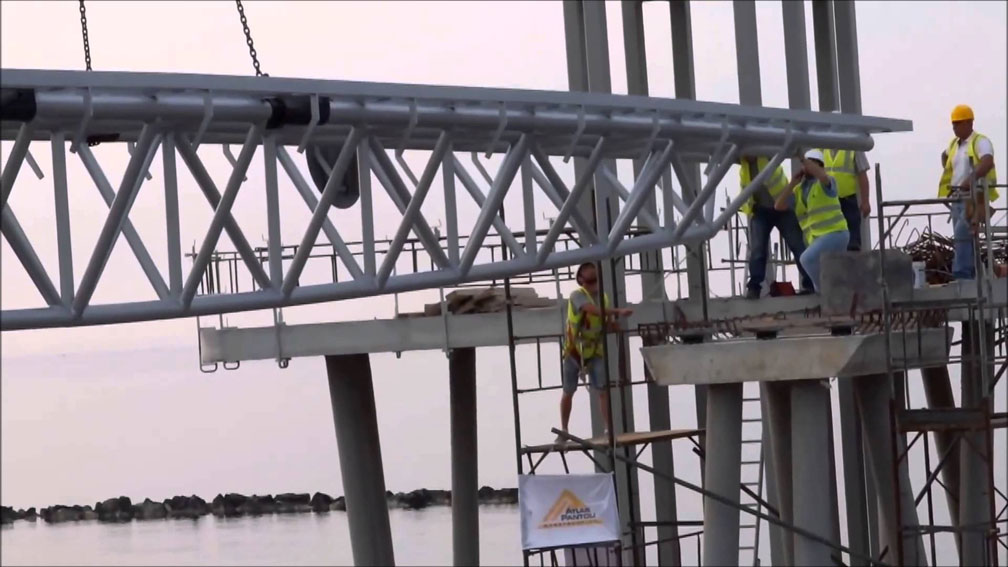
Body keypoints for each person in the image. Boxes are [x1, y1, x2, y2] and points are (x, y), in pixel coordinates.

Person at [557, 262, 632, 443]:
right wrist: (618, 311)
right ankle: (564, 430)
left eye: (596, 280)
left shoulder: (603, 298)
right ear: (581, 280)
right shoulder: (577, 296)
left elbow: (602, 321)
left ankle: (609, 430)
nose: (594, 284)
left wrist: (613, 325)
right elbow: (592, 311)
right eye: (590, 281)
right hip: (574, 351)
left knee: (602, 390)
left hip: (594, 349)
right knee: (569, 390)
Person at [738, 154, 814, 299]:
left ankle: (810, 283)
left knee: (797, 245)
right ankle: (754, 287)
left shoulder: (766, 154)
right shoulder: (743, 165)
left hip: (783, 207)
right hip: (760, 210)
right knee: (757, 250)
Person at [938, 104, 998, 280]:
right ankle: (972, 274)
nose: (954, 127)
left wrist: (970, 180)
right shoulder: (954, 144)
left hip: (974, 198)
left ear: (969, 123)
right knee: (964, 238)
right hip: (957, 198)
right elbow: (944, 156)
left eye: (958, 123)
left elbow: (987, 161)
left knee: (962, 235)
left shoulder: (981, 141)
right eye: (953, 124)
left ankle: (962, 276)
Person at [775, 149, 849, 292]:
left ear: (819, 166)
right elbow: (778, 205)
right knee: (829, 271)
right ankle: (831, 293)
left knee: (806, 259)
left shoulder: (826, 182)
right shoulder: (799, 190)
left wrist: (803, 159)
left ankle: (825, 291)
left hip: (836, 233)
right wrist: (792, 183)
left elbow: (821, 175)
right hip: (817, 238)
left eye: (812, 164)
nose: (807, 167)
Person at [818, 135, 872, 251]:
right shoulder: (823, 148)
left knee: (853, 241)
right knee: (830, 240)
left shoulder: (853, 147)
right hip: (829, 203)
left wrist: (865, 201)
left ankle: (853, 263)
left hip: (848, 200)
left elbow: (862, 175)